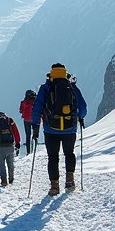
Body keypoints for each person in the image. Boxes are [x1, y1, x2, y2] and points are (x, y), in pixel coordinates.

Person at [31, 63, 87, 195]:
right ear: (65, 73)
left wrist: (35, 127)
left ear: (51, 73)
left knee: (53, 157)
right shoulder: (72, 87)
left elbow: (37, 108)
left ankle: (54, 186)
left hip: (50, 129)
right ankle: (70, 181)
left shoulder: (46, 88)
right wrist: (79, 117)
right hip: (70, 128)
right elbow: (83, 108)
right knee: (69, 153)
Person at [0, 111, 21, 187]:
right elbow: (16, 131)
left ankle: (4, 181)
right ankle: (11, 178)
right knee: (10, 163)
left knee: (1, 165)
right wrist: (18, 142)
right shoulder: (10, 121)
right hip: (10, 146)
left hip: (1, 147)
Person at [19, 89, 36, 154]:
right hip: (34, 119)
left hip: (26, 120)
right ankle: (34, 149)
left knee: (28, 135)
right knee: (35, 134)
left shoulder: (23, 102)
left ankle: (28, 151)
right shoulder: (35, 101)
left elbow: (21, 110)